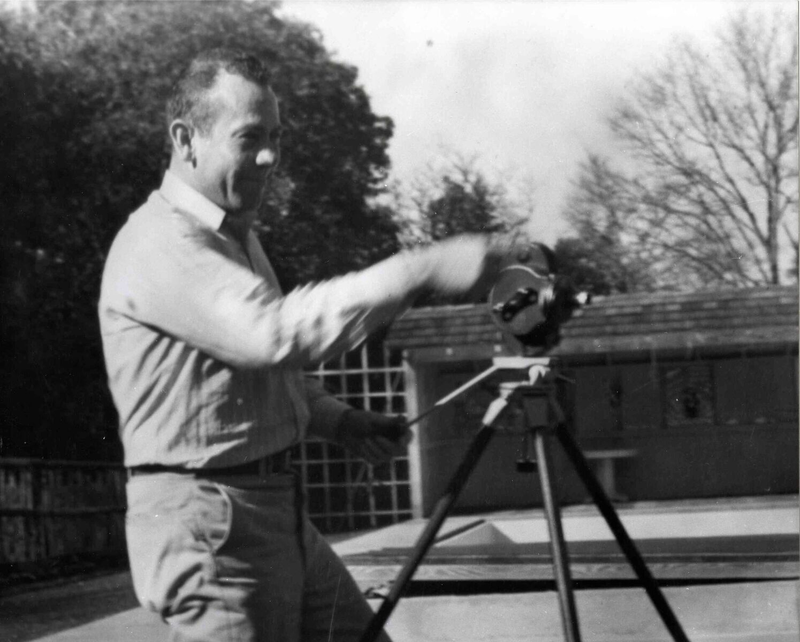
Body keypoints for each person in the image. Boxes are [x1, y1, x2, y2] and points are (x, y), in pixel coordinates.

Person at [99, 47, 511, 642]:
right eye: (249, 138)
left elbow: (254, 376)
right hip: (209, 518)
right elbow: (275, 335)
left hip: (267, 508)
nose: (269, 156)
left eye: (275, 137)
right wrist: (420, 269)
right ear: (186, 139)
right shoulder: (161, 242)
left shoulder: (231, 236)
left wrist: (340, 422)